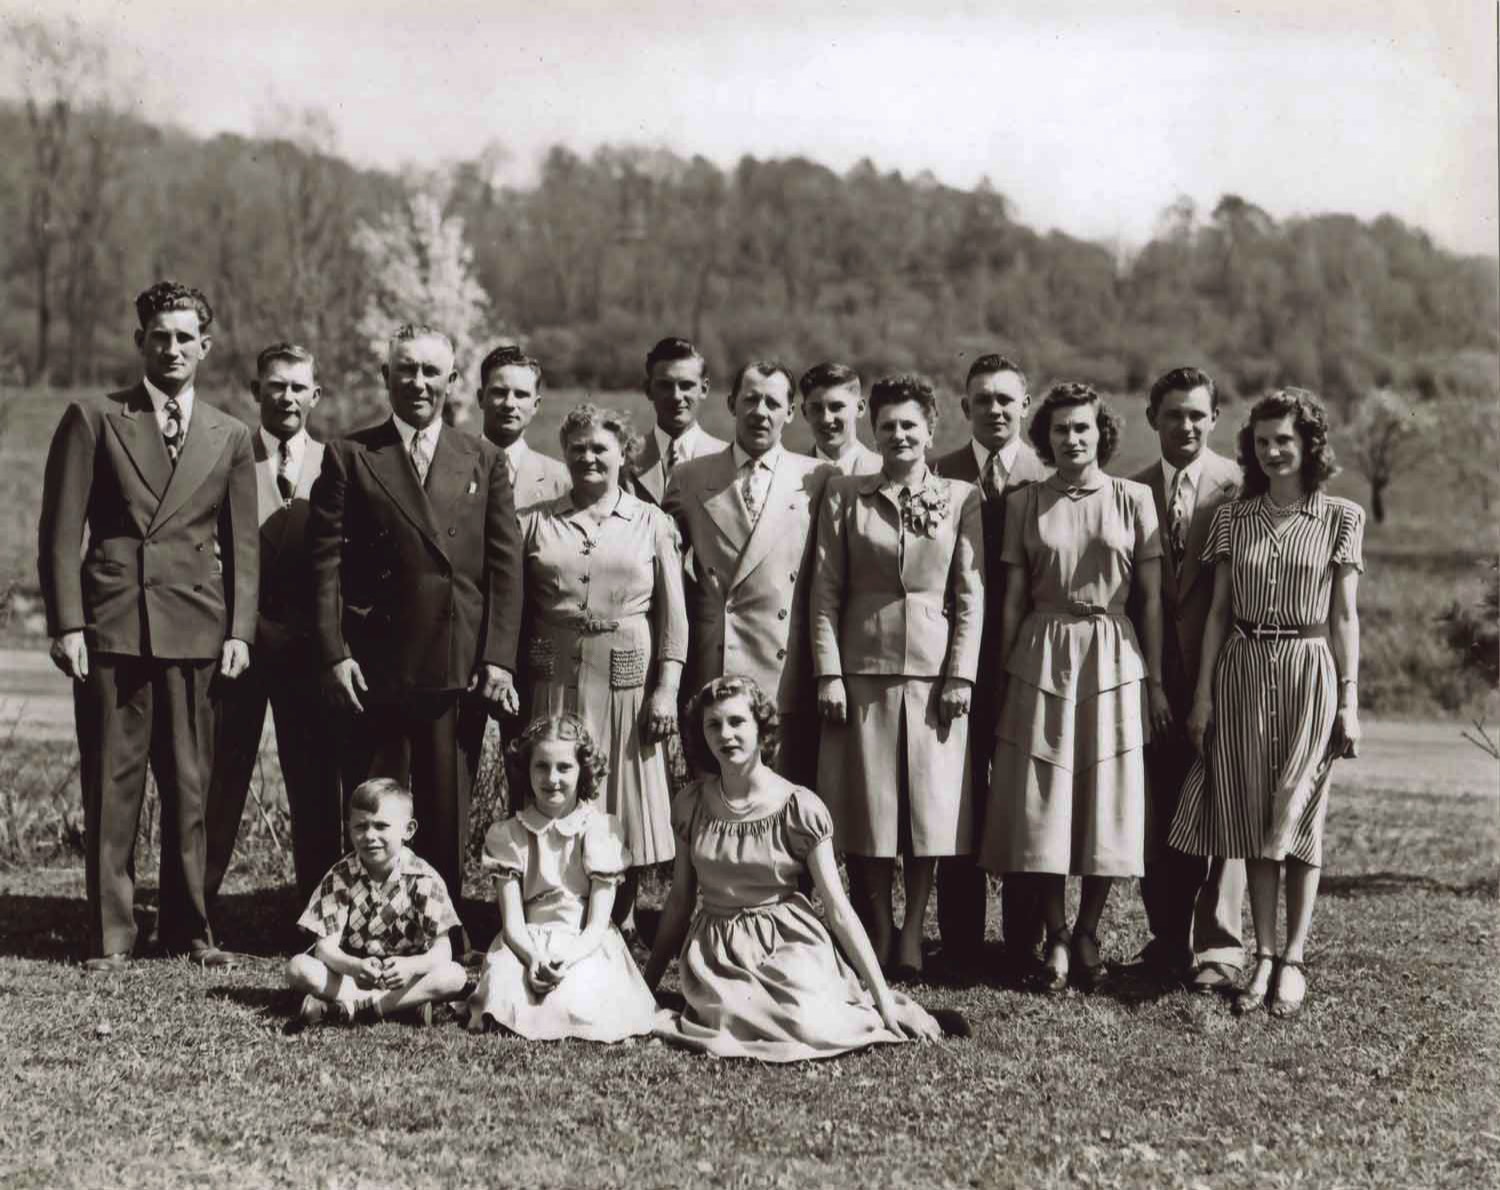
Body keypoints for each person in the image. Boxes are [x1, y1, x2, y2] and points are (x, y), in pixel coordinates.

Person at [38, 280, 257, 972]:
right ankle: (110, 934)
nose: (172, 348)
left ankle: (190, 928)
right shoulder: (94, 418)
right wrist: (68, 624)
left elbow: (242, 547)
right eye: (159, 336)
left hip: (196, 630)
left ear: (206, 347)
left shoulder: (230, 434)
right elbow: (58, 531)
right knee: (113, 783)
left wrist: (239, 632)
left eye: (185, 337)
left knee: (191, 784)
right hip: (114, 626)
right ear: (141, 342)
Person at [308, 323, 524, 946]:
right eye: (406, 370)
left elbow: (503, 569)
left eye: (432, 371)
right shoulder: (351, 454)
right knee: (377, 808)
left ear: (453, 381)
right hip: (374, 667)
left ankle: (440, 934)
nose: (419, 383)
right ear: (386, 378)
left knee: (445, 809)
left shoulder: (482, 458)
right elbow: (326, 569)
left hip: (455, 665)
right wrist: (334, 653)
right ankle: (368, 930)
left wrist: (499, 659)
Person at [1170, 388, 1363, 1018]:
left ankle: (1297, 959)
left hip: (1311, 671)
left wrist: (1349, 700)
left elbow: (1344, 616)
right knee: (1255, 816)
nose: (1274, 451)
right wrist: (1201, 697)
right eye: (1262, 442)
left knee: (1298, 812)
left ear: (1310, 445)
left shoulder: (1341, 518)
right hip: (1243, 671)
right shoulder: (1234, 517)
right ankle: (1264, 957)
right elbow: (1219, 611)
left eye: (1285, 440)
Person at [644, 676, 948, 1061]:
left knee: (806, 1022)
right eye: (713, 724)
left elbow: (839, 910)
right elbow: (679, 902)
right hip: (719, 951)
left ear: (760, 727)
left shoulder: (799, 807)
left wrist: (885, 1001)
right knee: (730, 1018)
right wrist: (646, 987)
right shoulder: (691, 805)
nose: (726, 735)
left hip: (788, 940)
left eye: (737, 722)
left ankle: (879, 1006)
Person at [980, 383, 1169, 991]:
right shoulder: (1024, 502)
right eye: (1060, 430)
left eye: (1082, 428)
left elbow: (1153, 603)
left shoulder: (1135, 499)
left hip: (1113, 654)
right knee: (1045, 799)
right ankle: (1056, 934)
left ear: (1101, 434)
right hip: (1041, 651)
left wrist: (1157, 683)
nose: (1072, 439)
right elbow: (1010, 600)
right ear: (1047, 438)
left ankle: (1089, 929)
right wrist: (1008, 674)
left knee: (1104, 799)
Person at [812, 374, 984, 979]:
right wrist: (828, 673)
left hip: (935, 683)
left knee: (927, 815)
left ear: (931, 429)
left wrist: (961, 674)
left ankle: (913, 933)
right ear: (874, 431)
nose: (899, 434)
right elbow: (826, 593)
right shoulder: (845, 493)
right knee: (870, 814)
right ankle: (878, 927)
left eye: (910, 424)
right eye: (888, 425)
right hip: (863, 679)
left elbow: (971, 595)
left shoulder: (962, 497)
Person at [516, 404, 686, 932]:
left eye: (600, 448)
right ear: (565, 454)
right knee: (556, 779)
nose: (588, 457)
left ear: (623, 454)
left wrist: (667, 689)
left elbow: (674, 617)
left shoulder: (651, 522)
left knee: (622, 795)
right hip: (555, 678)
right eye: (578, 448)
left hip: (624, 679)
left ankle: (622, 915)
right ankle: (556, 905)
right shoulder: (536, 520)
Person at [204, 343, 343, 916]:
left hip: (306, 650)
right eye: (275, 385)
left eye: (297, 387)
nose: (286, 397)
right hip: (236, 641)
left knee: (313, 784)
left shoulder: (336, 463)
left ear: (316, 395)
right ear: (255, 390)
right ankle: (194, 906)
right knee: (220, 774)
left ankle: (317, 907)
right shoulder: (228, 456)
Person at [931, 353, 1050, 975]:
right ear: (964, 408)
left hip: (1031, 661)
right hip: (951, 663)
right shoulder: (937, 473)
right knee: (958, 796)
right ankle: (960, 940)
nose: (995, 410)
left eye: (1006, 399)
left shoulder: (1051, 473)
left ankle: (1023, 943)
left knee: (1026, 798)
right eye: (983, 400)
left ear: (1025, 405)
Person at [1128, 367, 1246, 991]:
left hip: (1224, 672)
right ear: (1153, 418)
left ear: (1214, 419)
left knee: (1222, 804)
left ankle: (1221, 946)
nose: (1186, 425)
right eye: (1174, 414)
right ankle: (1167, 938)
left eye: (1198, 414)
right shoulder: (1131, 489)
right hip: (1153, 675)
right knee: (1160, 808)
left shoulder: (1241, 487)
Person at [663, 360, 834, 786]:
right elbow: (662, 570)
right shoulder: (688, 477)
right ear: (730, 404)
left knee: (778, 803)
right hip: (713, 669)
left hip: (784, 672)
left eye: (773, 402)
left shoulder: (819, 478)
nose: (761, 411)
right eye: (751, 399)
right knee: (715, 803)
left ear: (791, 412)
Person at [467, 714, 657, 1041]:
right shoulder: (508, 835)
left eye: (564, 768)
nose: (552, 778)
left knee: (579, 995)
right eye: (541, 766)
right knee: (507, 987)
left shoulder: (601, 830)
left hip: (584, 940)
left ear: (583, 770)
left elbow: (598, 924)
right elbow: (512, 924)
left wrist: (564, 959)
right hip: (526, 940)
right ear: (526, 769)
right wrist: (533, 958)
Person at [286, 778, 467, 1025]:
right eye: (360, 826)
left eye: (381, 826)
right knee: (298, 969)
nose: (370, 836)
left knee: (454, 975)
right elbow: (324, 948)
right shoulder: (340, 876)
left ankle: (352, 1009)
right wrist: (353, 966)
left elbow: (442, 951)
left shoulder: (425, 879)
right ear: (348, 828)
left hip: (405, 977)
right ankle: (401, 1006)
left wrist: (411, 966)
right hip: (352, 976)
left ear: (408, 830)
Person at [628, 337, 728, 505]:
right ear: (648, 390)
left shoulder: (727, 459)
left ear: (703, 389)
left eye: (686, 385)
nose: (676, 396)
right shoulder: (625, 458)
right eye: (665, 385)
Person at [476, 344, 570, 510]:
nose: (509, 404)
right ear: (481, 398)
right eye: (499, 392)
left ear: (535, 405)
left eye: (521, 395)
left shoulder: (561, 479)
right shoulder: (450, 466)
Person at [798, 362, 881, 476]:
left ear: (860, 408)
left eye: (836, 407)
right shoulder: (790, 475)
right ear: (804, 412)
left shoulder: (883, 472)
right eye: (816, 408)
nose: (827, 419)